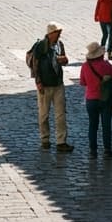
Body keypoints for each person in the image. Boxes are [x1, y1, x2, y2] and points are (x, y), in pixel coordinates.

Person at [31, 22, 73, 152]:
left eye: (60, 32)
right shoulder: (40, 46)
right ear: (50, 34)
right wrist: (38, 82)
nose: (60, 35)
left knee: (61, 114)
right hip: (44, 84)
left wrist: (64, 60)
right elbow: (35, 64)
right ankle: (45, 139)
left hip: (58, 83)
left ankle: (61, 142)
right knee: (44, 115)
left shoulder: (60, 45)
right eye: (57, 32)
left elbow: (65, 60)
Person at [79, 41, 112, 158]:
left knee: (93, 125)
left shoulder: (85, 66)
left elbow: (83, 82)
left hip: (90, 99)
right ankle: (107, 150)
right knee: (106, 125)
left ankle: (93, 151)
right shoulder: (106, 65)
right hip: (105, 99)